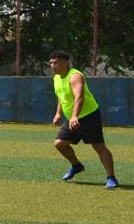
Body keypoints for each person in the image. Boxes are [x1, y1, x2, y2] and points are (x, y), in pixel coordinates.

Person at [50, 50, 118, 189]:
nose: (52, 65)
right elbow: (61, 96)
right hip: (72, 118)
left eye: (55, 62)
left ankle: (111, 178)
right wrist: (58, 113)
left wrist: (74, 116)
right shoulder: (56, 78)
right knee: (59, 144)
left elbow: (79, 96)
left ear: (65, 62)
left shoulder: (75, 76)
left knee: (99, 147)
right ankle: (77, 166)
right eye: (51, 63)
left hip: (88, 116)